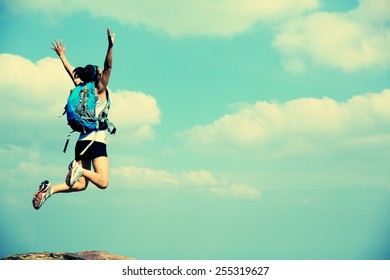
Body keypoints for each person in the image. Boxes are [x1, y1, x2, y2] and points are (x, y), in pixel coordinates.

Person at [32, 27, 115, 210]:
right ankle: (79, 170)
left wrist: (61, 55)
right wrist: (110, 46)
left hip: (81, 141)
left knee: (80, 185)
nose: (104, 73)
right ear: (99, 77)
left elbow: (72, 72)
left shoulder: (82, 87)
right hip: (95, 140)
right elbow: (109, 66)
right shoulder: (99, 90)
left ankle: (50, 189)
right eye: (102, 73)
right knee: (102, 181)